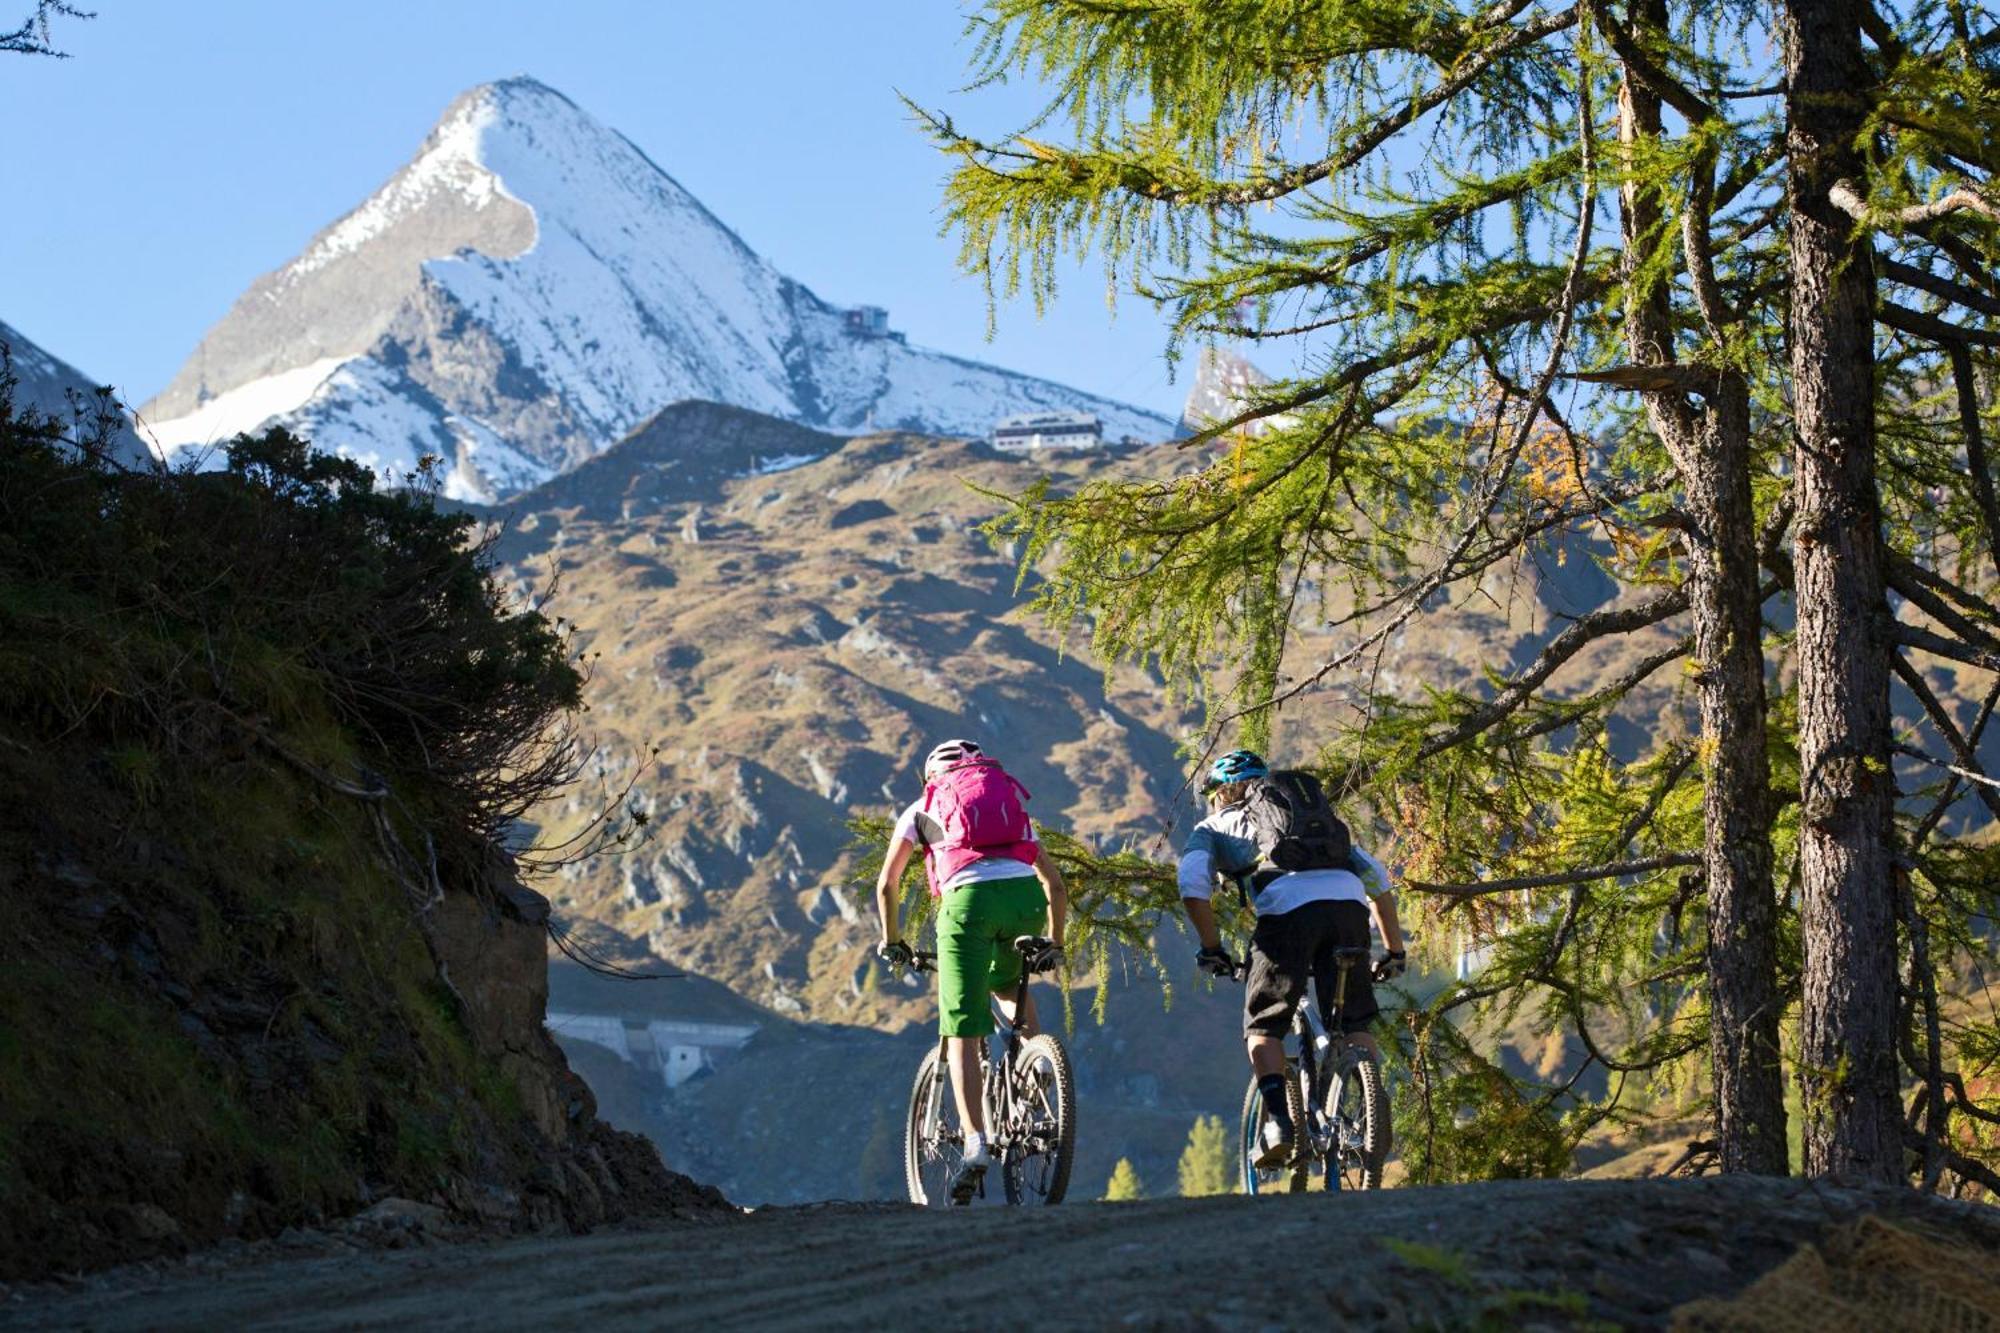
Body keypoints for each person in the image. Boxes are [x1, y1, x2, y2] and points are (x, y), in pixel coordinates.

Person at [1179, 748, 1406, 1168]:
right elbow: (1378, 880)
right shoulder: (1313, 825)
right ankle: (1373, 1110)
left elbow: (1192, 884)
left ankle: (1280, 1126)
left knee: (1264, 1026)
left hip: (1288, 914)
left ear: (1219, 794)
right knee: (1353, 1019)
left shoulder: (1213, 827)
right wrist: (1394, 951)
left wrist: (1212, 949)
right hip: (1348, 906)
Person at [874, 738, 1069, 1201]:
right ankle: (1033, 1071)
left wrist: (893, 940)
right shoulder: (1009, 806)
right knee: (1006, 982)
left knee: (963, 1025)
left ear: (931, 776)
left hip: (968, 906)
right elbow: (1055, 884)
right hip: (1025, 903)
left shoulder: (922, 807)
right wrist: (1056, 942)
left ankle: (975, 1143)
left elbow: (888, 884)